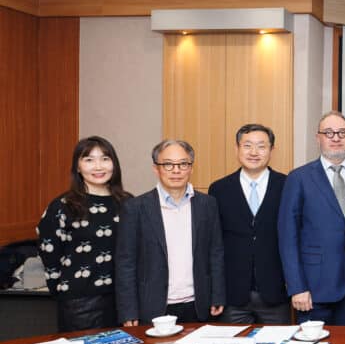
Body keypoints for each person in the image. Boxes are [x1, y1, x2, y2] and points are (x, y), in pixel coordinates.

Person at [116, 140, 225, 326]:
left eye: (183, 164)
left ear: (191, 168)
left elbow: (215, 253)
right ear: (156, 168)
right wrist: (128, 310)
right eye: (168, 164)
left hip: (198, 305)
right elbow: (126, 263)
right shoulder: (135, 208)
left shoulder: (207, 204)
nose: (176, 170)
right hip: (153, 308)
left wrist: (218, 295)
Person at [278, 112, 345, 325]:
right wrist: (297, 286)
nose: (336, 137)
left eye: (342, 132)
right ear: (317, 137)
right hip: (313, 290)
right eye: (328, 133)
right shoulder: (298, 178)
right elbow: (287, 237)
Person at [36, 136, 133, 332]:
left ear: (114, 164)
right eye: (89, 160)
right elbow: (50, 255)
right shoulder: (63, 206)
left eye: (105, 159)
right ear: (78, 167)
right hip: (80, 303)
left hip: (124, 300)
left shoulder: (128, 203)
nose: (98, 166)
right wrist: (66, 293)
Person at [208, 124, 289, 324]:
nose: (254, 152)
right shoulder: (219, 189)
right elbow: (214, 245)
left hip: (276, 294)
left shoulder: (287, 185)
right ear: (237, 149)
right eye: (247, 146)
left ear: (272, 150)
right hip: (232, 296)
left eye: (261, 146)